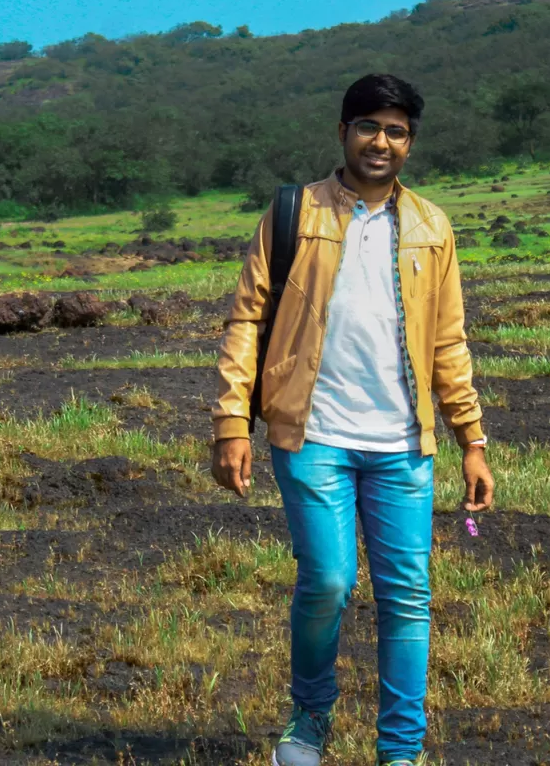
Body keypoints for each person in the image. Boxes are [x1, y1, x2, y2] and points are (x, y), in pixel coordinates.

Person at [210, 73, 495, 766]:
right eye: (368, 126)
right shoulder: (293, 212)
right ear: (342, 132)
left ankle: (401, 751)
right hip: (312, 438)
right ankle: (310, 717)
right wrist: (229, 423)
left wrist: (472, 440)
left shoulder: (433, 227)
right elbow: (249, 319)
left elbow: (449, 342)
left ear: (411, 144)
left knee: (407, 595)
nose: (381, 141)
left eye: (396, 131)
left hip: (404, 445)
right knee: (330, 581)